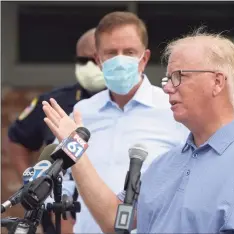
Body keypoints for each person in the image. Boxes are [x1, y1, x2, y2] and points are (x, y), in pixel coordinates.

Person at [42, 28, 234, 234]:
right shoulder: (164, 165)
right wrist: (74, 151)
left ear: (217, 82)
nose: (166, 87)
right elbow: (115, 220)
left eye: (179, 76)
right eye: (168, 78)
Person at [44, 11, 189, 233]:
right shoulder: (82, 113)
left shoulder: (173, 110)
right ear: (98, 61)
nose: (120, 60)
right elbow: (60, 176)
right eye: (111, 53)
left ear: (145, 58)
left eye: (129, 52)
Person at [6, 28, 106, 234]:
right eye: (84, 60)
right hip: (61, 214)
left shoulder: (133, 105)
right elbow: (17, 138)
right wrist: (33, 183)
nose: (91, 66)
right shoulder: (54, 101)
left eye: (97, 59)